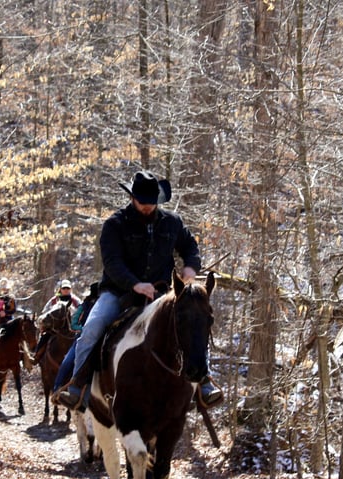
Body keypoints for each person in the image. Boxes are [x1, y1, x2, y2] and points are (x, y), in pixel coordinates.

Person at [54, 170, 223, 411]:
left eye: (151, 202)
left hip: (163, 293)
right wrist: (135, 284)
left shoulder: (172, 222)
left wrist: (190, 268)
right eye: (143, 202)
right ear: (132, 198)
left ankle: (204, 382)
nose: (147, 207)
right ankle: (78, 386)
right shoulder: (115, 224)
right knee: (92, 328)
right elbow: (112, 263)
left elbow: (190, 246)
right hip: (119, 292)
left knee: (194, 320)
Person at [51, 282, 99, 399]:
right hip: (81, 337)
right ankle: (57, 387)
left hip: (100, 336)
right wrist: (84, 330)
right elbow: (73, 324)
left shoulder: (104, 306)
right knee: (67, 362)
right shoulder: (83, 305)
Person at [33, 279, 83, 364]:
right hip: (54, 329)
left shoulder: (76, 300)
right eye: (64, 288)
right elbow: (45, 312)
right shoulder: (54, 300)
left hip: (71, 329)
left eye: (68, 288)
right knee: (44, 338)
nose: (66, 290)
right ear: (60, 289)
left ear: (70, 289)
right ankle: (37, 356)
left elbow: (82, 312)